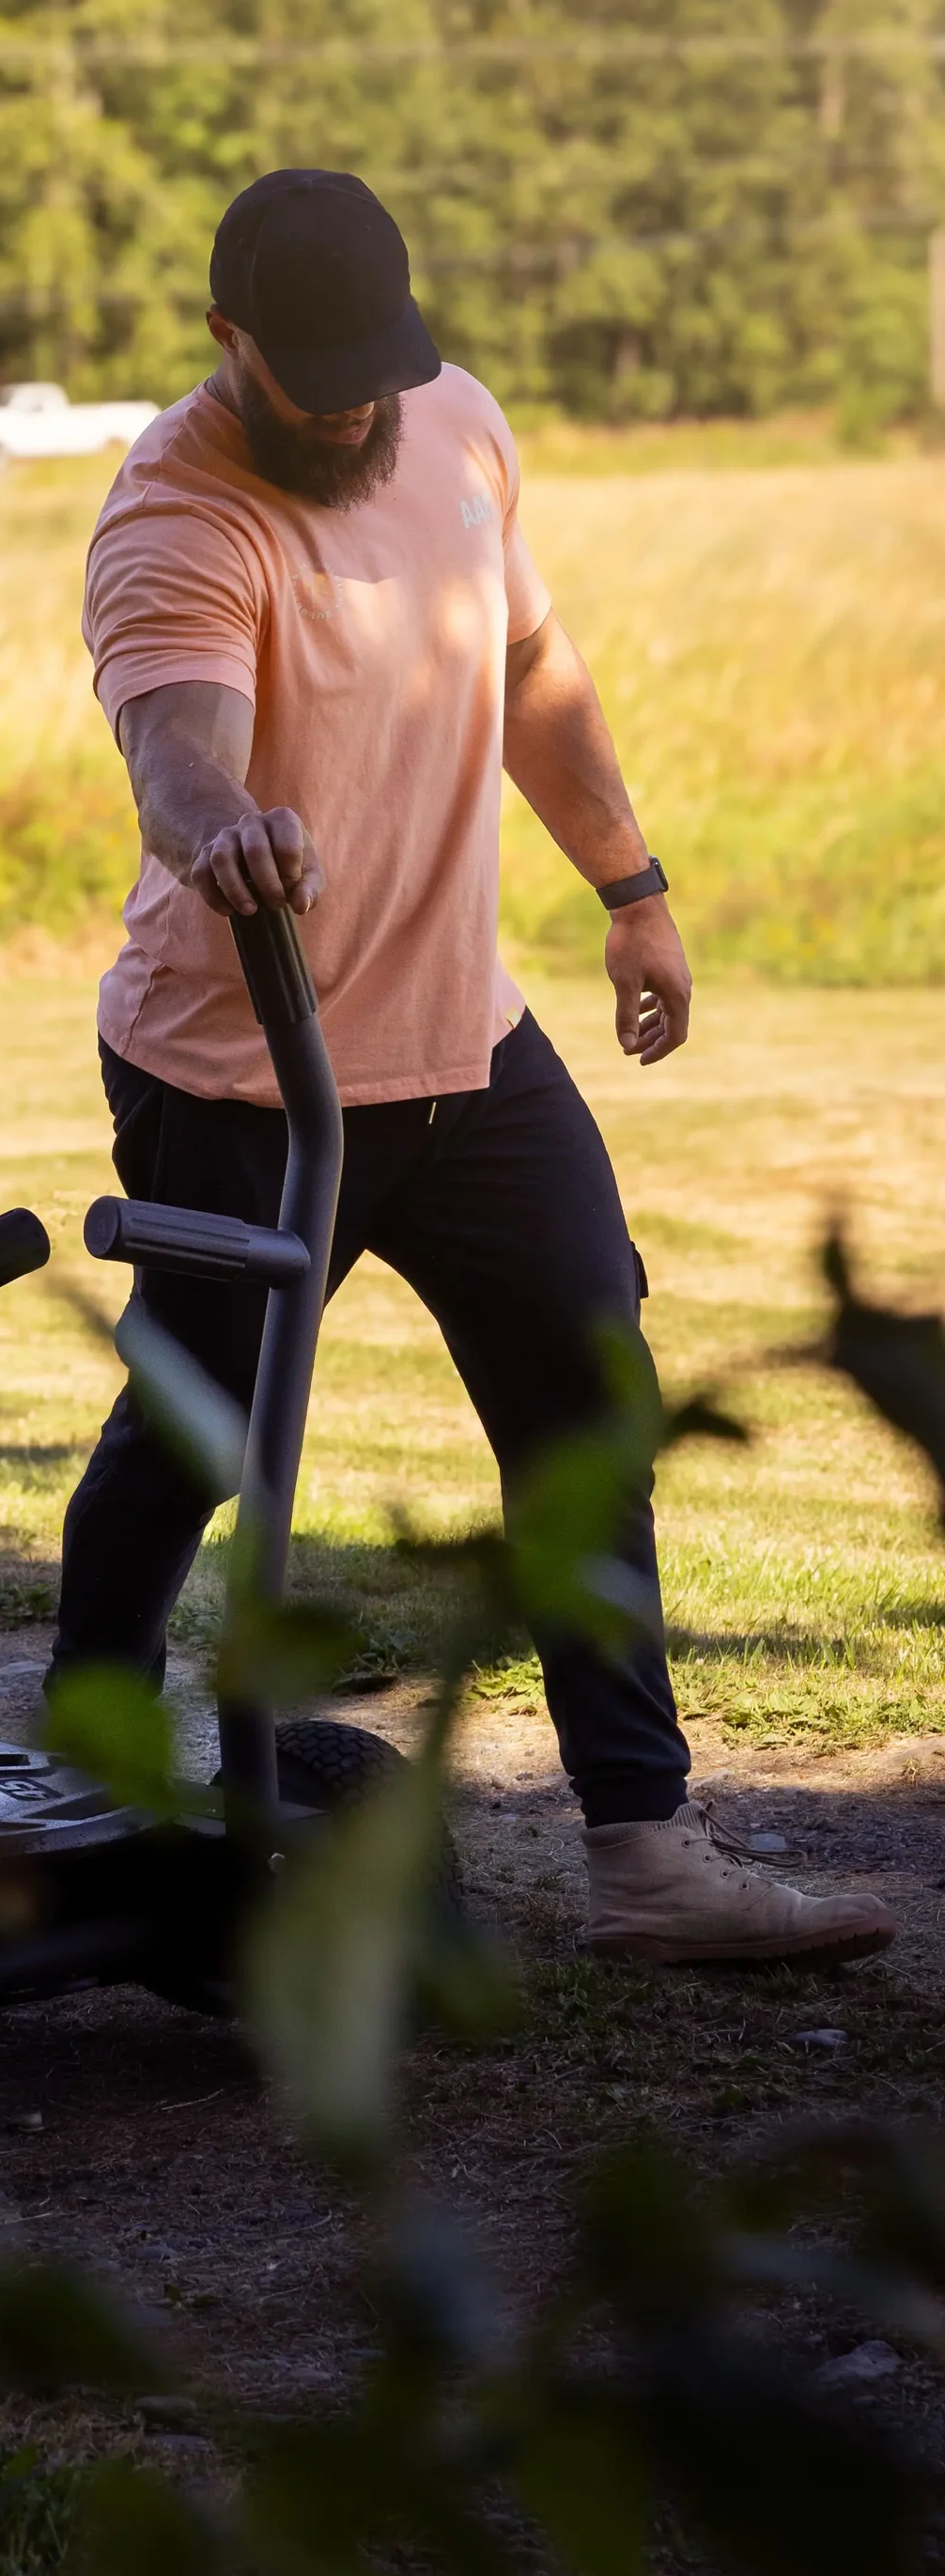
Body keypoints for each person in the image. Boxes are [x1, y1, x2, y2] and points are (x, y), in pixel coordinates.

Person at [54, 168, 891, 1967]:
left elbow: (527, 662)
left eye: (378, 369)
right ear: (230, 343)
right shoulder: (176, 516)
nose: (354, 409)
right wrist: (222, 829)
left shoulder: (454, 425)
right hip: (248, 1087)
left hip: (473, 1053)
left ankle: (645, 1855)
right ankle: (87, 1763)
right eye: (316, 379)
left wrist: (633, 885)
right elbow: (173, 748)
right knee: (189, 1442)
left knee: (588, 1399)